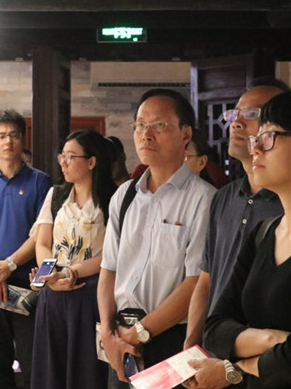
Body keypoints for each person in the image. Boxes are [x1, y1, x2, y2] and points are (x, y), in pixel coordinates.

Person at [98, 89, 216, 387]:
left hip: (170, 339)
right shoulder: (124, 196)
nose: (146, 135)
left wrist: (139, 332)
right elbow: (108, 269)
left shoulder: (204, 199)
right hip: (120, 339)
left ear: (185, 134)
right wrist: (108, 334)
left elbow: (195, 282)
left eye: (159, 125)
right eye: (140, 125)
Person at [183, 79, 288, 389]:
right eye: (234, 114)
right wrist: (274, 340)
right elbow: (216, 326)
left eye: (268, 136)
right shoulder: (264, 232)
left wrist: (237, 367)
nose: (255, 146)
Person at [0, 109, 52, 389]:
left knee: (31, 357)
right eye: (1, 136)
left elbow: (41, 234)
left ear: (23, 139)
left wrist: (9, 265)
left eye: (14, 135)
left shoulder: (40, 181)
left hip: (26, 281)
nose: (8, 141)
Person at [30, 129, 116, 389]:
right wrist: (49, 276)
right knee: (51, 369)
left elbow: (110, 254)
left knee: (86, 371)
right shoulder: (56, 195)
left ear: (91, 162)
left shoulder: (111, 199)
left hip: (90, 293)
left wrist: (71, 273)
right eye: (62, 156)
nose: (64, 162)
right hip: (54, 293)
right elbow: (43, 243)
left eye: (71, 156)